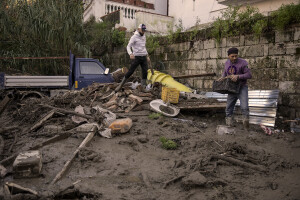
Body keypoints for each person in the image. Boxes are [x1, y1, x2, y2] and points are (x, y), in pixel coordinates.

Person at [219, 47, 252, 130]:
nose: (234, 58)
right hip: (231, 88)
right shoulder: (227, 63)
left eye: (236, 56)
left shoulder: (243, 63)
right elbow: (225, 72)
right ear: (228, 56)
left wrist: (238, 76)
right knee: (229, 108)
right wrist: (222, 77)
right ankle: (229, 125)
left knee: (244, 107)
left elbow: (249, 75)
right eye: (232, 56)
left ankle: (246, 127)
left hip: (242, 87)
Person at [115, 23, 150, 92]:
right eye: (142, 30)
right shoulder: (134, 37)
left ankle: (143, 87)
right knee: (130, 71)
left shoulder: (144, 36)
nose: (143, 32)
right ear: (139, 29)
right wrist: (130, 53)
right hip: (136, 57)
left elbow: (144, 47)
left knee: (145, 72)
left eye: (144, 30)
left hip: (143, 57)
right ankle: (120, 85)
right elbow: (128, 46)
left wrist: (147, 55)